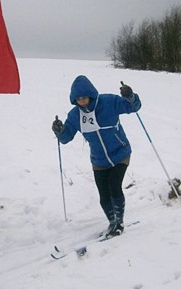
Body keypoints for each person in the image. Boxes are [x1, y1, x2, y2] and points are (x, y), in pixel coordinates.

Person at [52, 75, 141, 238]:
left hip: (120, 153)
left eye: (84, 98)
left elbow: (133, 107)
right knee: (103, 197)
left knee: (114, 187)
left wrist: (130, 96)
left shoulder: (108, 102)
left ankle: (119, 222)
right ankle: (112, 222)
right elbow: (66, 138)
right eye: (78, 99)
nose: (82, 102)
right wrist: (59, 130)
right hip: (99, 160)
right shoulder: (75, 115)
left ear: (91, 95)